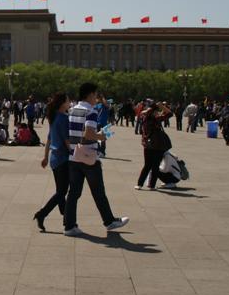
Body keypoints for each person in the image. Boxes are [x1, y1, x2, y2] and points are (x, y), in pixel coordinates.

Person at [62, 82, 129, 237]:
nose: (96, 98)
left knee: (73, 193)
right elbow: (89, 133)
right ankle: (109, 221)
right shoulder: (90, 111)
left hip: (73, 156)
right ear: (90, 95)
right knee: (98, 191)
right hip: (88, 157)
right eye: (96, 95)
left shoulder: (71, 110)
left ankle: (69, 226)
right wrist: (101, 136)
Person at [34, 94, 70, 232]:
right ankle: (42, 214)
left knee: (60, 190)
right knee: (62, 192)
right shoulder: (63, 118)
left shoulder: (54, 117)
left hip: (55, 159)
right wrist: (75, 152)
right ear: (62, 103)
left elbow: (49, 139)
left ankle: (66, 217)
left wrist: (46, 157)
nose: (69, 102)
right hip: (63, 159)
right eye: (68, 100)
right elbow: (66, 140)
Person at [136, 101, 173, 190]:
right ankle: (152, 185)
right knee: (155, 166)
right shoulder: (156, 119)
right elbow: (170, 114)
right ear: (154, 112)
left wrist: (153, 109)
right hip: (158, 145)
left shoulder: (144, 118)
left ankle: (139, 184)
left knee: (147, 166)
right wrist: (161, 106)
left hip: (147, 145)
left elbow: (143, 112)